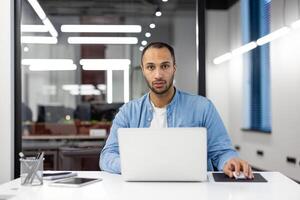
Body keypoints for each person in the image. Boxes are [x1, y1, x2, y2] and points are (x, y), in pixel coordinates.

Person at [100, 42, 254, 179]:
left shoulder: (202, 107)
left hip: (194, 191)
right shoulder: (128, 112)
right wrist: (135, 166)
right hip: (142, 190)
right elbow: (107, 156)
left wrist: (230, 161)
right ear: (143, 70)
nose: (158, 74)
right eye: (151, 67)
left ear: (174, 67)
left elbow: (222, 152)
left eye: (165, 66)